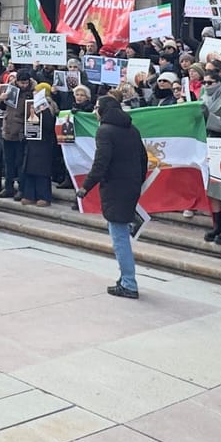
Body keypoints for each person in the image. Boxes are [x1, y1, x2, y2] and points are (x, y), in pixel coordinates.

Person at [86, 95, 147, 299]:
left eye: (96, 108)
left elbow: (100, 163)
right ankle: (125, 279)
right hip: (130, 187)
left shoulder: (104, 131)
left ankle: (129, 283)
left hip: (115, 189)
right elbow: (143, 158)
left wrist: (85, 187)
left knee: (119, 237)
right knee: (121, 234)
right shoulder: (132, 129)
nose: (94, 111)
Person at [19, 90, 58, 205]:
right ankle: (29, 195)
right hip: (31, 143)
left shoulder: (49, 108)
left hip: (44, 144)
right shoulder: (30, 106)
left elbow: (49, 125)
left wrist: (43, 110)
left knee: (42, 172)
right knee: (29, 170)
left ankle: (44, 196)